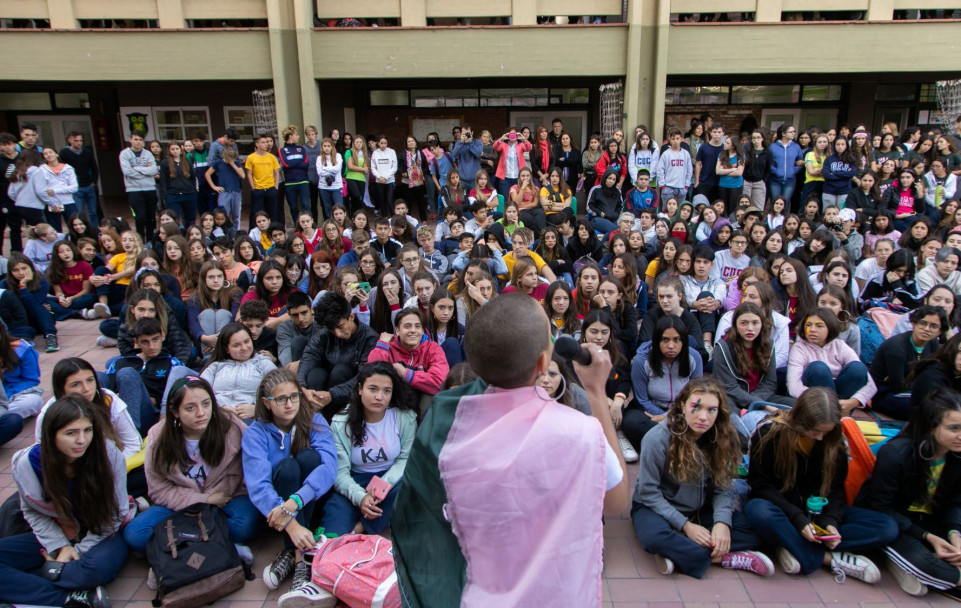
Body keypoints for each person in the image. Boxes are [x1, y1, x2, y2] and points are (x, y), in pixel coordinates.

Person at [390, 293, 628, 606]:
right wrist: (596, 394)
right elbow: (616, 501)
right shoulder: (579, 432)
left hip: (477, 593)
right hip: (554, 592)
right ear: (544, 364)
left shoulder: (447, 426)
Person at [745, 387, 899, 583]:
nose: (819, 437)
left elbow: (835, 490)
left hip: (817, 512)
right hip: (782, 509)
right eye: (815, 431)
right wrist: (799, 520)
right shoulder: (769, 433)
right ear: (800, 420)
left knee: (886, 527)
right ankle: (826, 558)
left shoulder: (835, 441)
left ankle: (789, 544)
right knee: (758, 511)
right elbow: (760, 486)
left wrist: (831, 522)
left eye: (825, 432)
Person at [633, 377, 775, 578]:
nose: (703, 417)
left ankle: (681, 553)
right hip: (658, 508)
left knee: (754, 532)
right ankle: (726, 558)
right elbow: (648, 492)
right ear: (682, 406)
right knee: (654, 538)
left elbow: (723, 488)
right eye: (696, 407)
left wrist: (722, 523)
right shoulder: (657, 438)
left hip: (700, 508)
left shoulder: (723, 437)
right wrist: (686, 526)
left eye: (711, 410)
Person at [0, 396, 129, 608]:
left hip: (101, 533)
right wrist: (59, 546)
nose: (82, 440)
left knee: (92, 571)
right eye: (71, 433)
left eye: (87, 430)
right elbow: (32, 512)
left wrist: (77, 551)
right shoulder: (27, 463)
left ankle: (22, 587)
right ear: (51, 435)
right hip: (57, 534)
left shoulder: (108, 454)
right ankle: (72, 599)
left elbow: (115, 514)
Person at [122, 376, 259, 554]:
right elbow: (159, 489)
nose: (201, 413)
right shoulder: (159, 437)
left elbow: (252, 463)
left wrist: (219, 498)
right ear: (175, 411)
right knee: (135, 534)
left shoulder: (230, 426)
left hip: (226, 500)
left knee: (244, 525)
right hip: (180, 504)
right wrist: (204, 500)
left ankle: (180, 546)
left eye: (206, 404)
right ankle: (217, 548)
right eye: (190, 408)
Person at [856, 389, 961, 598]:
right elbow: (879, 508)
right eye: (954, 428)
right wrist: (928, 537)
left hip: (933, 521)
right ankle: (944, 574)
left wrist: (955, 534)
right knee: (927, 564)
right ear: (931, 428)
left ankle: (918, 568)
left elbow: (956, 503)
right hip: (897, 523)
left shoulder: (957, 456)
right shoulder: (896, 454)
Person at [242, 368, 336, 592]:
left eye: (294, 396)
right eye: (281, 399)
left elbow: (329, 467)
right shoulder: (255, 433)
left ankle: (292, 554)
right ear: (266, 402)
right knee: (287, 468)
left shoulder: (314, 420)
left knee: (309, 457)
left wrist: (296, 501)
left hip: (309, 500)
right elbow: (259, 485)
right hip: (277, 504)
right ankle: (300, 555)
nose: (289, 404)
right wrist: (291, 525)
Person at [322, 361, 415, 537]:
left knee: (408, 487)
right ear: (359, 389)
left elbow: (405, 459)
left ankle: (360, 529)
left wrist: (381, 487)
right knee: (332, 531)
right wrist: (360, 497)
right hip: (355, 481)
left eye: (386, 391)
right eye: (372, 389)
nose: (379, 397)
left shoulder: (404, 418)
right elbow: (340, 472)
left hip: (391, 480)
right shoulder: (341, 423)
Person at [624, 315, 704, 450]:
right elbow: (642, 399)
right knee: (631, 421)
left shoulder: (694, 357)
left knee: (707, 420)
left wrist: (668, 417)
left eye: (676, 340)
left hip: (683, 411)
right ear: (656, 340)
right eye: (665, 340)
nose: (671, 346)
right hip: (651, 410)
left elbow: (697, 396)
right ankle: (678, 442)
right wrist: (661, 415)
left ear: (684, 340)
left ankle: (665, 441)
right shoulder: (642, 360)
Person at [787, 309, 876, 415]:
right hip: (815, 401)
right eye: (808, 325)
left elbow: (871, 384)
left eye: (819, 326)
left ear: (830, 327)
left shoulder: (840, 346)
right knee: (818, 368)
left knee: (857, 368)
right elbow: (793, 388)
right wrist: (829, 402)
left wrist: (853, 402)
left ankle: (838, 415)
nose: (812, 330)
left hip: (843, 402)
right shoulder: (799, 348)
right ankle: (832, 415)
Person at [870, 305, 947, 420]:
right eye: (923, 323)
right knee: (925, 409)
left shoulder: (933, 344)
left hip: (913, 391)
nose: (927, 329)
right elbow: (897, 386)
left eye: (934, 326)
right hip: (883, 393)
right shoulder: (897, 347)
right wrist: (924, 384)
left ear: (940, 331)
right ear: (913, 323)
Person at [200, 323, 277, 422]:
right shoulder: (216, 366)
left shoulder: (263, 363)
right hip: (218, 418)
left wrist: (257, 409)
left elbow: (280, 391)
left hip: (251, 419)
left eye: (247, 341)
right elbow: (200, 390)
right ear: (226, 349)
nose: (244, 348)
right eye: (236, 345)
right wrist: (216, 408)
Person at [119, 130, 159, 242]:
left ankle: (151, 240)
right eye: (135, 139)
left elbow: (153, 170)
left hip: (150, 188)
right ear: (131, 140)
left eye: (140, 140)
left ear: (143, 142)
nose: (138, 142)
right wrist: (145, 171)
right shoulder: (125, 154)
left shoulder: (148, 154)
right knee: (140, 217)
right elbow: (127, 171)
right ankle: (140, 240)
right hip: (134, 190)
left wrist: (135, 168)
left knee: (150, 217)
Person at [59, 132, 100, 227]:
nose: (79, 143)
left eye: (81, 140)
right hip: (76, 187)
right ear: (69, 140)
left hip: (89, 185)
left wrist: (94, 182)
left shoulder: (87, 152)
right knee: (78, 213)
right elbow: (63, 170)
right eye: (76, 140)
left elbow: (94, 168)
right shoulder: (64, 153)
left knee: (93, 212)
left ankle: (94, 230)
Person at [245, 133, 281, 230]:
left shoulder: (271, 157)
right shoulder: (251, 157)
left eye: (266, 142)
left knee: (273, 213)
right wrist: (253, 188)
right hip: (258, 189)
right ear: (257, 144)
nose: (266, 144)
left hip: (270, 188)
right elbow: (249, 174)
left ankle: (273, 232)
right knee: (256, 213)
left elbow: (277, 173)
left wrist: (276, 187)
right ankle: (253, 233)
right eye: (263, 142)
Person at [279, 125, 310, 225]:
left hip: (303, 181)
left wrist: (293, 162)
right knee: (293, 206)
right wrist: (298, 161)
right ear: (291, 136)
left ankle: (309, 224)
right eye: (296, 134)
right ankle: (298, 226)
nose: (298, 136)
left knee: (305, 204)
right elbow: (286, 164)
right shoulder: (282, 150)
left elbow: (306, 164)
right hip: (290, 183)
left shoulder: (302, 149)